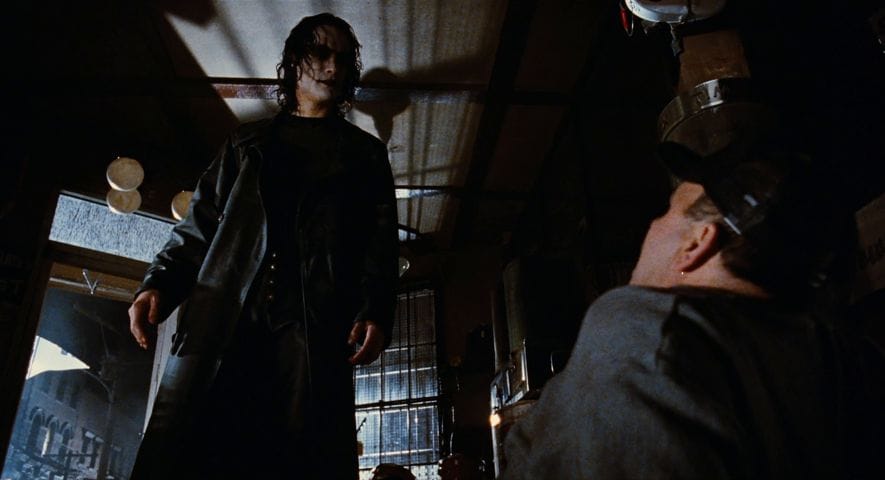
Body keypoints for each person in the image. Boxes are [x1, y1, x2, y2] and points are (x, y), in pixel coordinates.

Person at [501, 136, 883, 478]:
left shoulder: (647, 334)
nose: (653, 224)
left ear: (696, 244)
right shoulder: (846, 360)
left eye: (667, 211)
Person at [128, 13, 398, 479]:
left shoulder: (365, 156)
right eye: (320, 52)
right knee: (197, 451)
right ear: (294, 62)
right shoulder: (246, 143)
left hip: (310, 329)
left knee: (295, 456)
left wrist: (375, 309)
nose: (332, 67)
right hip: (225, 320)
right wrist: (158, 284)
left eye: (342, 58)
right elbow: (198, 227)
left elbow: (380, 246)